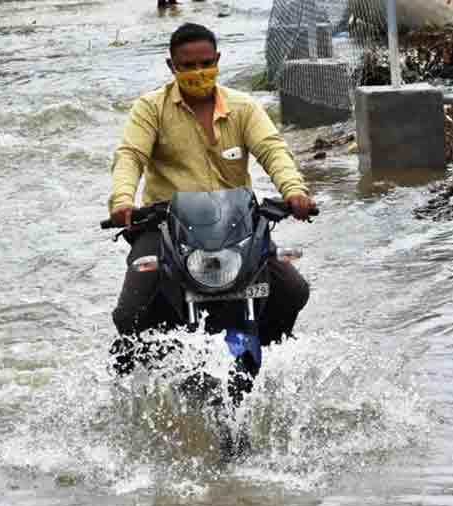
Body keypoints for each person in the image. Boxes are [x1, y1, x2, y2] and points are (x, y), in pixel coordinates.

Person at [108, 22, 316, 347]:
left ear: (217, 60)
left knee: (293, 289)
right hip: (165, 225)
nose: (198, 71)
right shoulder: (150, 109)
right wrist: (122, 201)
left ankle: (272, 350)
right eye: (188, 66)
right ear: (171, 66)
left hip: (236, 225)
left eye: (206, 63)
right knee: (130, 313)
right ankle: (146, 371)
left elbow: (273, 150)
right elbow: (130, 156)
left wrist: (295, 192)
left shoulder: (244, 108)